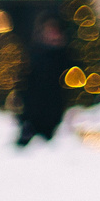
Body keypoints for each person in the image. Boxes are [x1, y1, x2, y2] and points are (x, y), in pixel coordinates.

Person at [16, 16, 72, 147]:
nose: (52, 35)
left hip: (55, 110)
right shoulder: (35, 54)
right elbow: (27, 82)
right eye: (50, 32)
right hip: (35, 110)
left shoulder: (64, 55)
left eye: (55, 32)